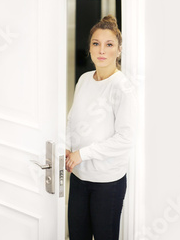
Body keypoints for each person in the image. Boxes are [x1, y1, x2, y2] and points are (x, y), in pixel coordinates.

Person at [66, 15, 137, 240]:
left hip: (108, 182)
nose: (102, 50)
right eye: (96, 43)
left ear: (119, 50)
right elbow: (72, 121)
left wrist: (82, 154)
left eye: (109, 45)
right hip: (78, 177)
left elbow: (126, 138)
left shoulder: (123, 87)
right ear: (89, 48)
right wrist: (67, 147)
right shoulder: (84, 80)